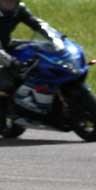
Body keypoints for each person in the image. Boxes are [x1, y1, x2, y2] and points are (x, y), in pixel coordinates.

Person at [0, 0, 63, 130]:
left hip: (5, 45)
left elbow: (38, 24)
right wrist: (9, 61)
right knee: (4, 81)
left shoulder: (19, 9)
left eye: (12, 1)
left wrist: (55, 39)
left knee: (37, 50)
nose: (9, 5)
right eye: (6, 1)